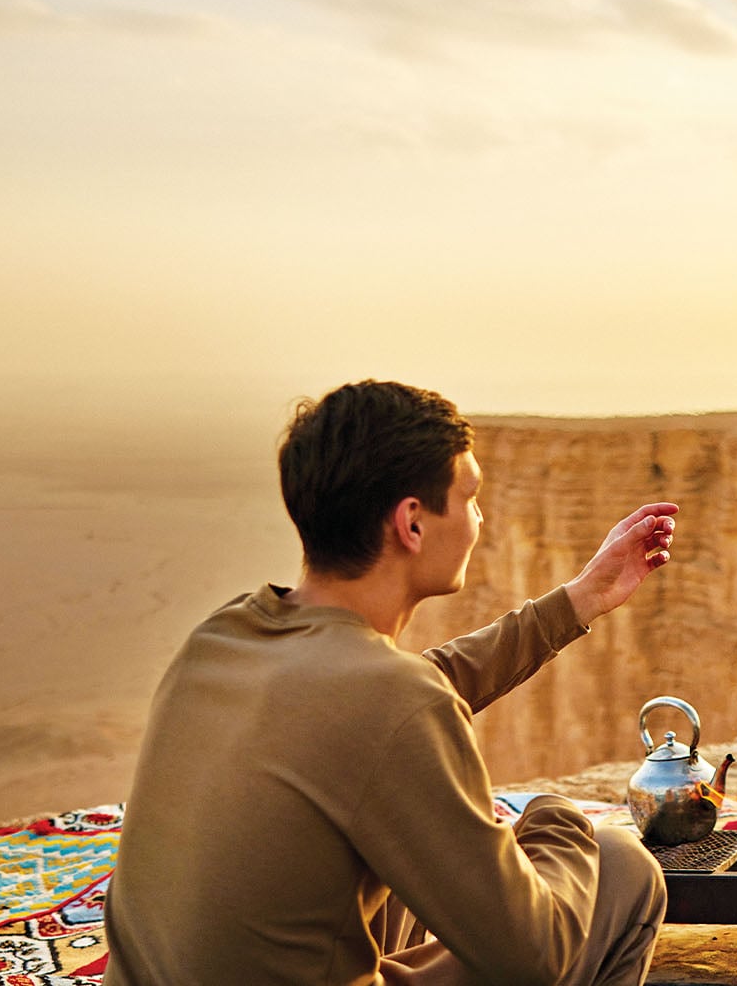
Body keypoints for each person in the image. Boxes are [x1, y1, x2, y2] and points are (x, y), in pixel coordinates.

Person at [106, 380, 676, 986]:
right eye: (470, 497)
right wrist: (556, 819)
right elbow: (537, 958)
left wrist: (578, 601)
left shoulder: (221, 639)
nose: (479, 518)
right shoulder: (389, 701)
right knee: (620, 865)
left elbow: (400, 695)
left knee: (417, 861)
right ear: (412, 522)